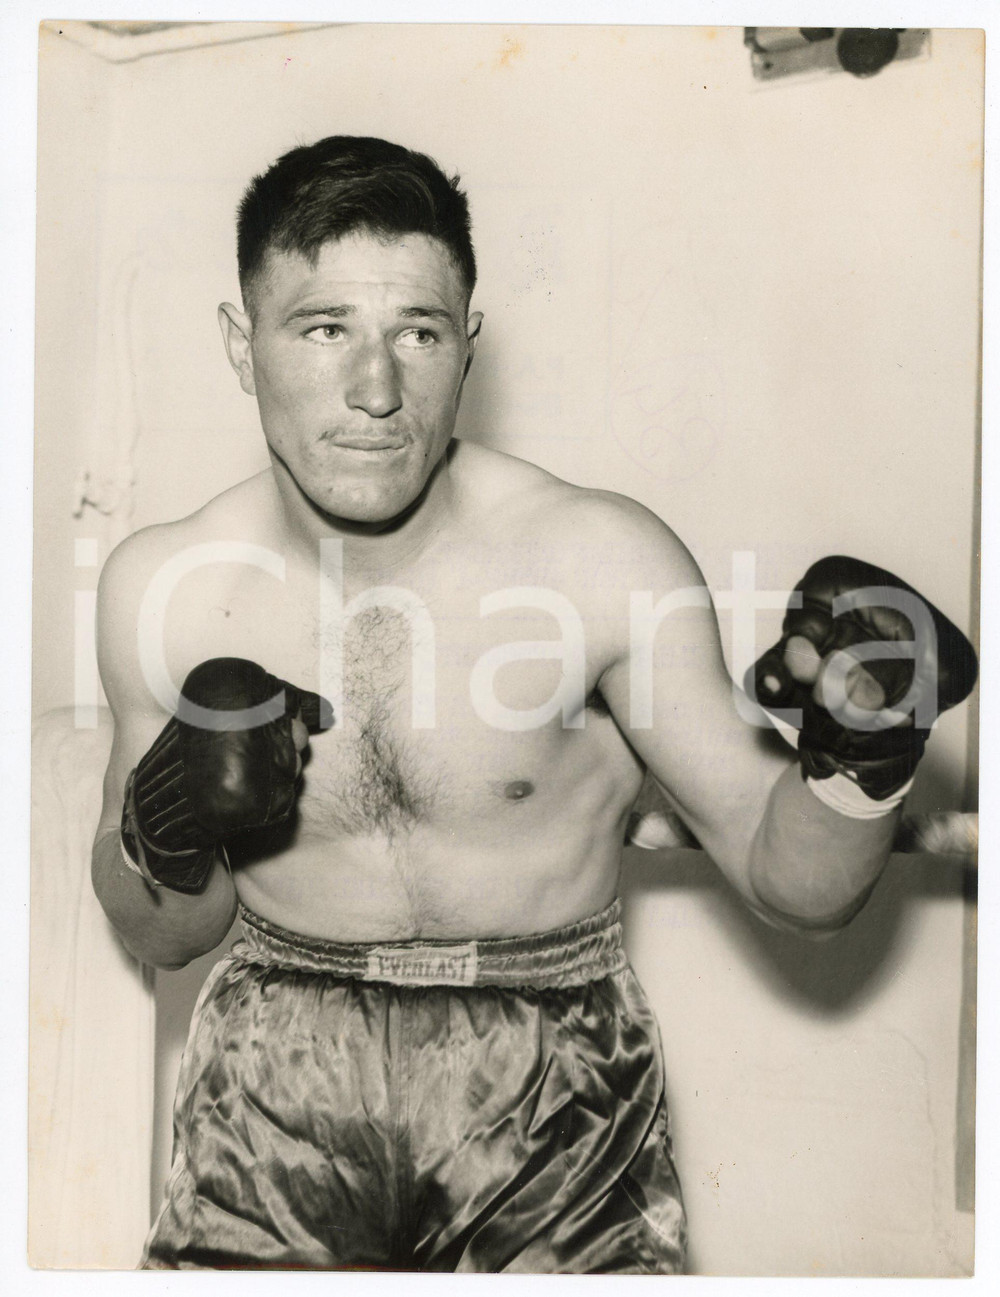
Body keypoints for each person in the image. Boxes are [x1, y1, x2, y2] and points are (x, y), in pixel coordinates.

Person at [90, 136, 977, 1273]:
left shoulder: (599, 557)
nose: (375, 390)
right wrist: (167, 824)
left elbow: (793, 882)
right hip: (273, 1079)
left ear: (468, 345)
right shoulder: (164, 586)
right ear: (240, 343)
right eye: (324, 330)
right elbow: (163, 931)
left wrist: (866, 756)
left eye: (417, 331)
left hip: (555, 1085)